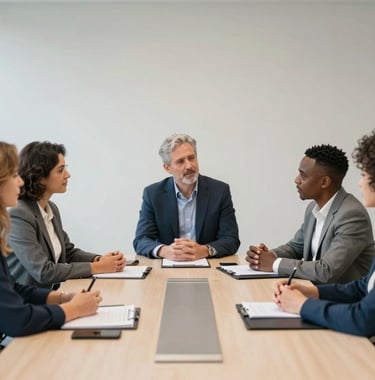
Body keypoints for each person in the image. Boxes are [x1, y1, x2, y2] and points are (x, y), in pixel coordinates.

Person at [272, 131, 375, 338]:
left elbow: (364, 318)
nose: (359, 183)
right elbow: (362, 288)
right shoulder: (312, 209)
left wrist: (303, 305)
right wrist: (310, 292)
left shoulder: (351, 213)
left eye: (365, 175)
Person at [0, 141, 101, 348]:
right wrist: (74, 309)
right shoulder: (20, 213)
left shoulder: (50, 208)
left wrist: (63, 297)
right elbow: (16, 318)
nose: (20, 182)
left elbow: (14, 288)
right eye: (13, 175)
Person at [246, 144, 375, 284]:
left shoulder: (351, 215)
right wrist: (267, 256)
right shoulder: (313, 209)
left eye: (303, 175)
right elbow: (295, 247)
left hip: (344, 301)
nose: (296, 180)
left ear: (324, 182)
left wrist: (274, 263)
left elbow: (326, 271)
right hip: (314, 292)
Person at [6, 141, 125, 288]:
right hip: (27, 303)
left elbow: (68, 252)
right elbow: (43, 271)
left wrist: (98, 259)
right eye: (60, 170)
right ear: (40, 177)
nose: (68, 175)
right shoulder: (19, 215)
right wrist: (98, 267)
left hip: (52, 294)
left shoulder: (51, 208)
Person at [133, 133, 240, 260]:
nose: (189, 166)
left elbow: (231, 239)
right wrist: (165, 251)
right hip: (167, 268)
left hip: (209, 266)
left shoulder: (220, 191)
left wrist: (205, 250)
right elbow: (141, 240)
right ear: (167, 168)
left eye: (191, 158)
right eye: (180, 161)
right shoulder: (153, 194)